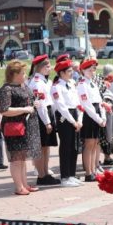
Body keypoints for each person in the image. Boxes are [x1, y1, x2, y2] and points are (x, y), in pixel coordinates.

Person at [0, 61, 42, 196]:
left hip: (26, 127)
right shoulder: (7, 89)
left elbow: (29, 101)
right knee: (16, 159)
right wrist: (24, 109)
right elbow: (4, 110)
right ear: (14, 74)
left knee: (22, 158)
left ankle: (25, 184)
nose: (25, 75)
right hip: (14, 128)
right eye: (22, 73)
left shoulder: (23, 86)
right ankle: (19, 187)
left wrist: (34, 104)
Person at [27, 54, 61, 185]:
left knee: (46, 147)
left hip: (47, 114)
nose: (50, 68)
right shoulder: (36, 82)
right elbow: (40, 104)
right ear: (40, 67)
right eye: (47, 66)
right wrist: (47, 122)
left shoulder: (44, 81)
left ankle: (46, 173)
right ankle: (41, 175)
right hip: (41, 117)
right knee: (41, 147)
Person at [50, 57, 83, 187]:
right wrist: (73, 121)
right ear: (62, 73)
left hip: (74, 114)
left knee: (74, 146)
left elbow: (78, 103)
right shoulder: (56, 87)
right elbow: (61, 107)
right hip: (64, 117)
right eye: (69, 71)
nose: (72, 73)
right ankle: (65, 177)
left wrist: (79, 119)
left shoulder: (72, 83)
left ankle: (72, 174)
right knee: (66, 146)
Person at [78, 58, 106, 181]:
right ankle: (89, 173)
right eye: (89, 70)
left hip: (97, 112)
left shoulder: (92, 83)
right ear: (83, 71)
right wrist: (98, 118)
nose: (92, 71)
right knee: (89, 144)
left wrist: (103, 116)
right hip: (89, 115)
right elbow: (87, 104)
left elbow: (100, 102)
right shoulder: (82, 84)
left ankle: (94, 169)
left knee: (95, 143)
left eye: (93, 69)